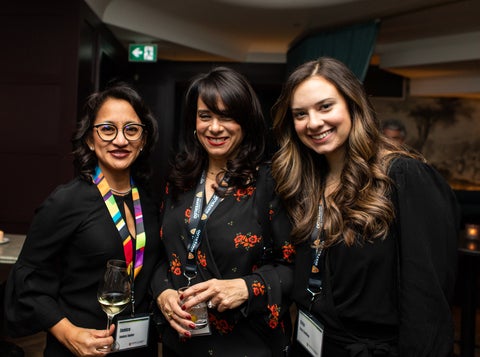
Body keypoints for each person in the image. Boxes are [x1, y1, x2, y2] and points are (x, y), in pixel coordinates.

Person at [271, 57, 459, 356]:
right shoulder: (307, 181)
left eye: (325, 106)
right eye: (300, 114)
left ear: (352, 104)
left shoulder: (403, 176)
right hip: (314, 344)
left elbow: (428, 304)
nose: (314, 122)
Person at [4, 83, 162, 356]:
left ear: (143, 140)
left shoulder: (149, 201)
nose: (121, 140)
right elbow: (28, 283)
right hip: (79, 349)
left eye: (131, 130)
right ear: (90, 139)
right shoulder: (66, 201)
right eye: (107, 129)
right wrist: (69, 334)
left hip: (136, 347)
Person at [152, 67, 295, 356]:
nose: (215, 127)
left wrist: (246, 288)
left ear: (246, 123)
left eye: (227, 116)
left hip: (245, 345)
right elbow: (162, 256)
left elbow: (292, 268)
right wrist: (162, 292)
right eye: (205, 116)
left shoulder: (270, 184)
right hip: (181, 343)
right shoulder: (180, 180)